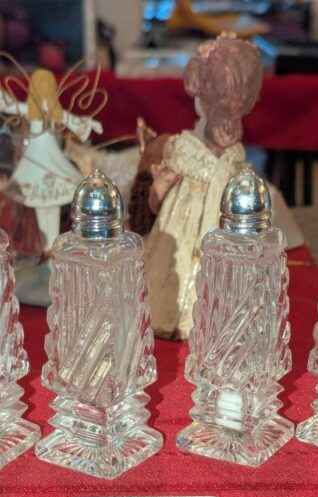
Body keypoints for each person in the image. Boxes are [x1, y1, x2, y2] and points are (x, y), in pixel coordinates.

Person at [140, 33, 263, 339]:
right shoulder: (236, 155)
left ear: (202, 101)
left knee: (172, 266)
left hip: (183, 229)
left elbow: (159, 196)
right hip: (226, 229)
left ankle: (179, 314)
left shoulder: (182, 148)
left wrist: (155, 192)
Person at [0, 67, 103, 255]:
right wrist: (0, 97)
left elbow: (71, 120)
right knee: (44, 204)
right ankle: (48, 247)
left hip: (50, 158)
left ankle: (51, 246)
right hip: (36, 159)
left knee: (51, 204)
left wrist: (90, 124)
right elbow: (10, 106)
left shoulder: (53, 111)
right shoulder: (32, 110)